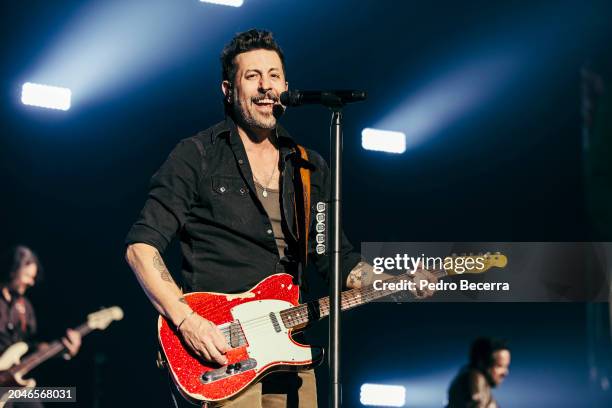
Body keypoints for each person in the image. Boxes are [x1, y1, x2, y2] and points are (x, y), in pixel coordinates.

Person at [125, 29, 436, 408]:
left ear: (286, 86)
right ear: (228, 89)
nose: (265, 86)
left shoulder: (309, 167)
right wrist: (188, 322)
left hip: (289, 352)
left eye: (273, 75)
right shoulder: (197, 156)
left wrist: (392, 283)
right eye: (252, 76)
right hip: (222, 351)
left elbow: (335, 258)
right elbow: (142, 248)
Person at [0, 245, 81, 407]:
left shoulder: (25, 307)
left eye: (33, 277)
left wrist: (62, 351)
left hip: (12, 382)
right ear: (13, 270)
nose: (31, 282)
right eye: (27, 276)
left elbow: (29, 346)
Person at [447, 337, 511, 408]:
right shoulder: (474, 378)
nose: (506, 373)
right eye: (500, 366)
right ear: (481, 363)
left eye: (506, 366)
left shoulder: (477, 382)